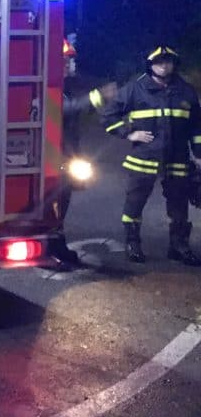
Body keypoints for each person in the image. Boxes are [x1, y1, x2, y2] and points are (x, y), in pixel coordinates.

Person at [101, 46, 201, 265]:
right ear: (150, 65)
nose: (164, 66)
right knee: (135, 202)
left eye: (168, 62)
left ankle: (179, 246)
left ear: (174, 64)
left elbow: (196, 127)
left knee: (179, 204)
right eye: (159, 62)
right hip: (143, 158)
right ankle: (132, 243)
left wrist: (199, 154)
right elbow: (108, 116)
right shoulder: (135, 89)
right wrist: (129, 133)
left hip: (177, 158)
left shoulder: (186, 91)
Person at [53, 39, 116, 270]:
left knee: (60, 204)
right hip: (51, 160)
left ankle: (56, 245)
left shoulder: (63, 86)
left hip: (62, 158)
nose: (70, 64)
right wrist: (98, 96)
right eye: (65, 59)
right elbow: (62, 110)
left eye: (70, 59)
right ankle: (51, 247)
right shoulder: (45, 85)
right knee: (52, 205)